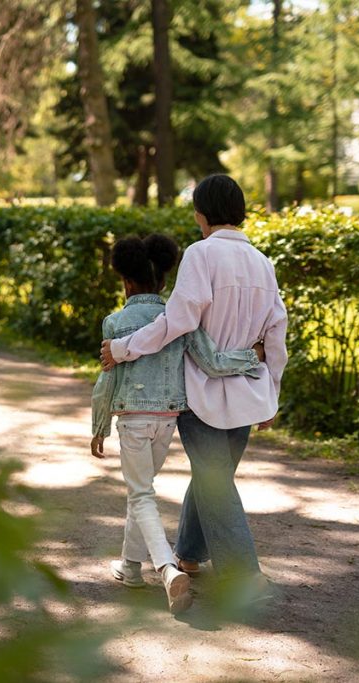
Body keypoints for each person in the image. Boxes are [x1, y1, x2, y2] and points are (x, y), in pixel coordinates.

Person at [101, 174, 288, 605]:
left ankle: (242, 575)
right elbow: (276, 334)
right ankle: (188, 553)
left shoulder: (200, 255)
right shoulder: (263, 261)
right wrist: (273, 390)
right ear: (240, 211)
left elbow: (177, 321)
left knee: (214, 479)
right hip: (248, 389)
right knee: (214, 475)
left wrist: (123, 348)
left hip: (201, 391)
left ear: (200, 214)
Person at [90, 233, 263, 614]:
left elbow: (107, 380)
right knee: (143, 490)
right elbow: (213, 362)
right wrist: (253, 358)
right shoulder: (180, 318)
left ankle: (168, 570)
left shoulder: (115, 322)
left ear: (126, 282)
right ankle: (130, 567)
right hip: (169, 420)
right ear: (164, 281)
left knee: (141, 494)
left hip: (133, 420)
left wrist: (99, 425)